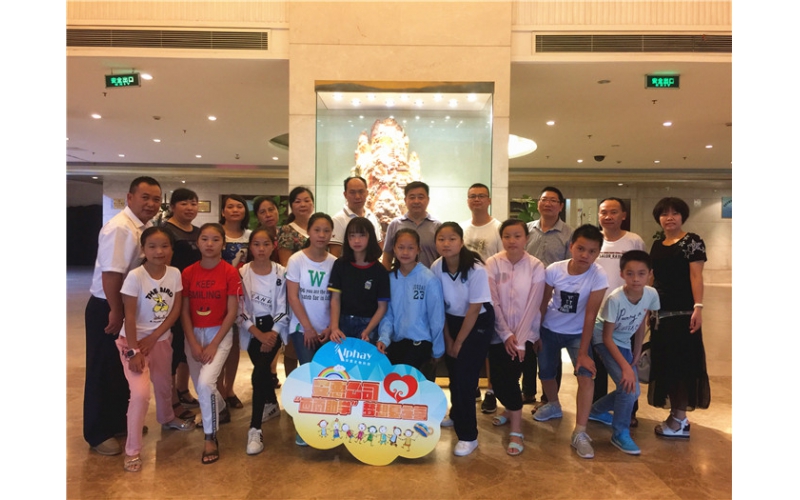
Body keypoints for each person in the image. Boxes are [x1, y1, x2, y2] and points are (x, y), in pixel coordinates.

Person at [84, 176, 162, 456]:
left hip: (126, 306)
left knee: (121, 368)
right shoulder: (120, 227)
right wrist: (116, 312)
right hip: (107, 305)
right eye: (145, 197)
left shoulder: (144, 227)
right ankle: (97, 433)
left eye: (156, 199)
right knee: (102, 369)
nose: (151, 204)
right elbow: (111, 274)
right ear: (130, 198)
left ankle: (118, 422)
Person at [117, 227, 195, 472]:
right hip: (133, 344)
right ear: (143, 249)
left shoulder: (174, 273)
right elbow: (129, 317)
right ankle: (132, 451)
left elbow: (175, 310)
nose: (159, 251)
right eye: (152, 246)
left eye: (164, 246)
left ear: (171, 249)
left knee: (164, 385)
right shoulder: (135, 277)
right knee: (140, 395)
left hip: (160, 341)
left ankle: (168, 418)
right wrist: (134, 351)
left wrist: (154, 337)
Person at [533, 224, 607, 460]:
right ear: (571, 246)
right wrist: (536, 333)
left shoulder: (598, 275)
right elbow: (543, 303)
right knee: (546, 371)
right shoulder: (554, 270)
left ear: (598, 253)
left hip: (578, 333)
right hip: (549, 329)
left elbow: (590, 315)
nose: (585, 255)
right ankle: (553, 404)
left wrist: (583, 352)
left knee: (586, 375)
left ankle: (580, 432)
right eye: (581, 248)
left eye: (592, 251)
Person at [648, 197, 710, 439]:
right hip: (660, 314)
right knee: (666, 366)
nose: (669, 217)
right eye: (664, 214)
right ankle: (676, 416)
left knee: (681, 367)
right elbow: (652, 278)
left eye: (675, 213)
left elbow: (696, 276)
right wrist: (647, 307)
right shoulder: (657, 244)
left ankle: (680, 420)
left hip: (682, 314)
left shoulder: (692, 241)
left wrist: (698, 307)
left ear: (683, 216)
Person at [431, 222, 494, 457]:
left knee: (465, 378)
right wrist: (448, 338)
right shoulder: (437, 267)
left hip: (477, 322)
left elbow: (475, 309)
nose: (446, 244)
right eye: (441, 239)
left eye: (452, 239)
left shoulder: (476, 269)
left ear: (461, 242)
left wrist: (458, 342)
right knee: (454, 373)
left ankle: (469, 436)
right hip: (451, 320)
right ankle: (457, 414)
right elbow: (439, 306)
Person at [484, 219, 546, 456]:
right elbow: (492, 301)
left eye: (517, 236)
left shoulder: (536, 266)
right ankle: (510, 409)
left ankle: (517, 430)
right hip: (498, 333)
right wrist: (506, 334)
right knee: (498, 381)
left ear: (526, 238)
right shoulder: (492, 263)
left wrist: (519, 340)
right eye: (507, 236)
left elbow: (533, 304)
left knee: (510, 380)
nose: (512, 241)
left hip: (525, 335)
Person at [588, 250, 660, 455]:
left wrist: (636, 352)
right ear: (622, 274)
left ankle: (595, 411)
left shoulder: (651, 294)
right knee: (628, 387)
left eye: (641, 273)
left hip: (625, 342)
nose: (636, 279)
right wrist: (625, 367)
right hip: (603, 339)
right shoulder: (615, 299)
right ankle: (620, 433)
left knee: (633, 391)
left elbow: (640, 323)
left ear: (650, 275)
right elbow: (606, 337)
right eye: (630, 273)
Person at [181, 223, 241, 464]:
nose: (209, 244)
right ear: (197, 242)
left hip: (220, 332)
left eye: (215, 239)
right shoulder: (188, 273)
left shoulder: (230, 272)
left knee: (206, 384)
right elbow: (184, 311)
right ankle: (221, 407)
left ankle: (210, 437)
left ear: (223, 244)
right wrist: (193, 342)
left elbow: (232, 311)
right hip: (193, 334)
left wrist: (215, 343)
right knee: (202, 387)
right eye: (204, 239)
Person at [593, 197, 646, 425]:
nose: (608, 216)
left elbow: (644, 272)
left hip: (627, 314)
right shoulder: (594, 241)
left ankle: (629, 410)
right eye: (603, 212)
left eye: (613, 212)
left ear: (623, 215)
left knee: (627, 363)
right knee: (598, 367)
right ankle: (596, 409)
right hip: (597, 315)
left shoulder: (633, 240)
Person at [285, 212, 337, 446]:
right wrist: (307, 328)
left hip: (326, 330)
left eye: (326, 231)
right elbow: (293, 297)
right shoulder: (297, 260)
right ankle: (304, 427)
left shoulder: (334, 262)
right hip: (302, 329)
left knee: (326, 378)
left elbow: (335, 299)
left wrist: (330, 327)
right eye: (317, 230)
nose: (322, 235)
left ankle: (325, 424)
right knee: (308, 376)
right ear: (309, 232)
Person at [237, 227, 289, 455]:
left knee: (258, 374)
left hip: (274, 327)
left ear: (273, 246)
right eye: (256, 244)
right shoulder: (242, 273)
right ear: (250, 247)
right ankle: (271, 404)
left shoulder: (281, 272)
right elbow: (239, 308)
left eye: (266, 244)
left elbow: (283, 307)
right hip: (251, 329)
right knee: (263, 370)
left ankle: (255, 428)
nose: (261, 249)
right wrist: (257, 333)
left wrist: (273, 333)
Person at [522, 186, 572, 408]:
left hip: (554, 298)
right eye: (544, 199)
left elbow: (570, 267)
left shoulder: (569, 234)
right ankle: (527, 391)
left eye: (553, 200)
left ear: (560, 206)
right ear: (538, 204)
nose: (547, 203)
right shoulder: (526, 230)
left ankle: (549, 398)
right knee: (527, 342)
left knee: (550, 346)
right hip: (526, 295)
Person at [377, 228, 445, 381]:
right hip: (395, 343)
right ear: (394, 249)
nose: (405, 252)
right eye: (401, 247)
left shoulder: (429, 279)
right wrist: (384, 338)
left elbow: (436, 318)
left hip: (420, 343)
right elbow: (387, 314)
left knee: (411, 386)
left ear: (418, 249)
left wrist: (438, 349)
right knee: (392, 385)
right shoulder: (390, 278)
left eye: (410, 247)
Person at [460, 183, 503, 413]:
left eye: (481, 196)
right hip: (464, 294)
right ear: (467, 201)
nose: (476, 200)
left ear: (489, 200)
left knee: (489, 345)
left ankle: (491, 391)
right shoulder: (462, 228)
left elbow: (501, 261)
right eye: (472, 196)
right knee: (469, 343)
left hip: (490, 294)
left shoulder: (497, 228)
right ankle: (473, 386)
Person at [162, 188, 202, 421]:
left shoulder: (197, 231)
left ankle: (183, 389)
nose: (190, 208)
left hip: (194, 297)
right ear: (173, 206)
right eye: (184, 203)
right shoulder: (166, 231)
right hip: (173, 295)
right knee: (173, 348)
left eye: (193, 203)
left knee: (186, 346)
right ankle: (171, 402)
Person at [328, 217, 390, 344]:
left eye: (362, 235)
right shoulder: (340, 265)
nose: (356, 240)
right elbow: (335, 298)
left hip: (369, 325)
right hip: (343, 323)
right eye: (352, 236)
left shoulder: (380, 271)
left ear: (370, 237)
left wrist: (368, 331)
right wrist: (334, 328)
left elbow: (382, 307)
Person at [217, 194, 252, 411]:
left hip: (243, 295)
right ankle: (218, 389)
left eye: (239, 206)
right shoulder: (216, 233)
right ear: (223, 211)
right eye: (230, 206)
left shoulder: (250, 235)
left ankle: (229, 389)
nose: (235, 210)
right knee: (220, 341)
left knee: (234, 344)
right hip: (218, 294)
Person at [382, 181, 441, 269]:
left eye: (420, 197)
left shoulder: (437, 226)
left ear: (428, 200)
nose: (416, 201)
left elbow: (442, 257)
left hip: (431, 276)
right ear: (405, 200)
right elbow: (387, 256)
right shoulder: (395, 225)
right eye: (412, 197)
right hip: (401, 277)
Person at [329, 176, 384, 257]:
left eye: (361, 192)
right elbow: (335, 254)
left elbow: (378, 245)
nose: (357, 196)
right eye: (352, 192)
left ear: (367, 193)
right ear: (345, 194)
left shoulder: (372, 216)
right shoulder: (338, 220)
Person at [278, 186, 315, 266]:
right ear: (291, 206)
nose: (303, 205)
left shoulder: (318, 228)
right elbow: (286, 264)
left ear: (313, 204)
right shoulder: (286, 231)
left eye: (307, 200)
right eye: (297, 202)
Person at [252, 195, 282, 263]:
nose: (268, 215)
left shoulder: (286, 234)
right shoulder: (255, 237)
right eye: (262, 212)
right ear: (257, 217)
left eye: (271, 210)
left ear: (278, 211)